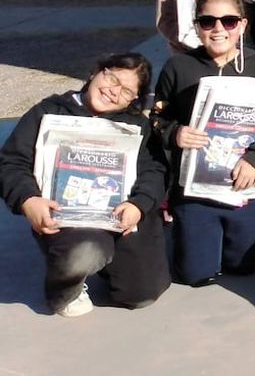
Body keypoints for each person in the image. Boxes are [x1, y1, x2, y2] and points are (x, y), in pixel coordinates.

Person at [0, 53, 171, 316]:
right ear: (95, 72)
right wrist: (28, 200)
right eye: (112, 79)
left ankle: (108, 262)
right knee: (85, 252)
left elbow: (155, 171)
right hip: (67, 217)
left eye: (127, 91)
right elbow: (11, 162)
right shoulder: (49, 112)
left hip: (122, 215)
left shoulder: (137, 126)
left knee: (141, 294)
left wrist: (139, 205)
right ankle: (67, 286)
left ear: (134, 99)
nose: (114, 91)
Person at [151, 0, 255, 285]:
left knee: (244, 265)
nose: (218, 29)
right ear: (197, 26)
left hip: (246, 183)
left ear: (243, 25)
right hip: (196, 185)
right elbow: (157, 117)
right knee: (195, 273)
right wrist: (174, 132)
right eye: (208, 21)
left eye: (228, 21)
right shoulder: (178, 67)